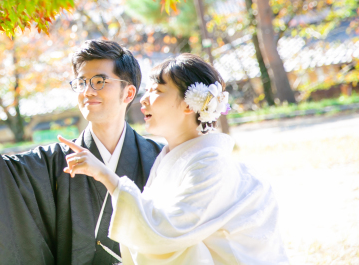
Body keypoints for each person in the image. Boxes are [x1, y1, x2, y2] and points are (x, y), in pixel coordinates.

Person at [0, 39, 162, 264]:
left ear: (128, 94)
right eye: (81, 82)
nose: (87, 91)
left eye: (99, 81)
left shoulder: (157, 157)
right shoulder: (58, 159)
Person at [60, 53, 290, 264]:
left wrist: (107, 176)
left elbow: (167, 234)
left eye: (157, 91)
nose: (144, 100)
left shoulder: (211, 162)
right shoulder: (173, 157)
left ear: (190, 104)